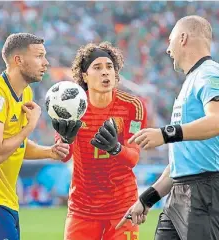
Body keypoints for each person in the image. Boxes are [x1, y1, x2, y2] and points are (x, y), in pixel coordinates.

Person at [116, 15, 219, 240]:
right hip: (180, 192)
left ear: (183, 38)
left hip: (204, 191)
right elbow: (182, 164)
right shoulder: (190, 82)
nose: (167, 48)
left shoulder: (209, 73)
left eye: (170, 40)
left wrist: (165, 134)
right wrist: (146, 199)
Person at [0, 33, 70, 240]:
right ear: (18, 60)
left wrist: (49, 152)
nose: (46, 63)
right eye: (39, 56)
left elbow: (16, 144)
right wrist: (29, 126)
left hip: (5, 202)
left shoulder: (25, 93)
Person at [52, 42, 148, 240]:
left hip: (122, 207)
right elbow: (63, 156)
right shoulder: (70, 106)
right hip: (82, 209)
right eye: (97, 67)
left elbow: (133, 158)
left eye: (109, 67)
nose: (105, 72)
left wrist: (116, 149)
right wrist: (66, 139)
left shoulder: (133, 106)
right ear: (84, 76)